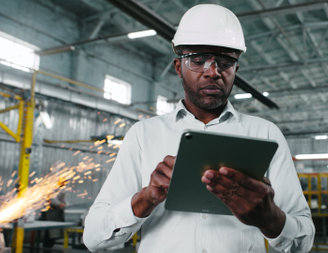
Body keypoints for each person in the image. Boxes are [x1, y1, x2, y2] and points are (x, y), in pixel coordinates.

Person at [83, 4, 314, 253]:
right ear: (178, 67)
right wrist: (146, 198)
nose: (213, 72)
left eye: (225, 61)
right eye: (198, 60)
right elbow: (94, 238)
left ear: (236, 69)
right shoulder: (143, 135)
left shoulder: (266, 134)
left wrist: (269, 218)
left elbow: (303, 242)